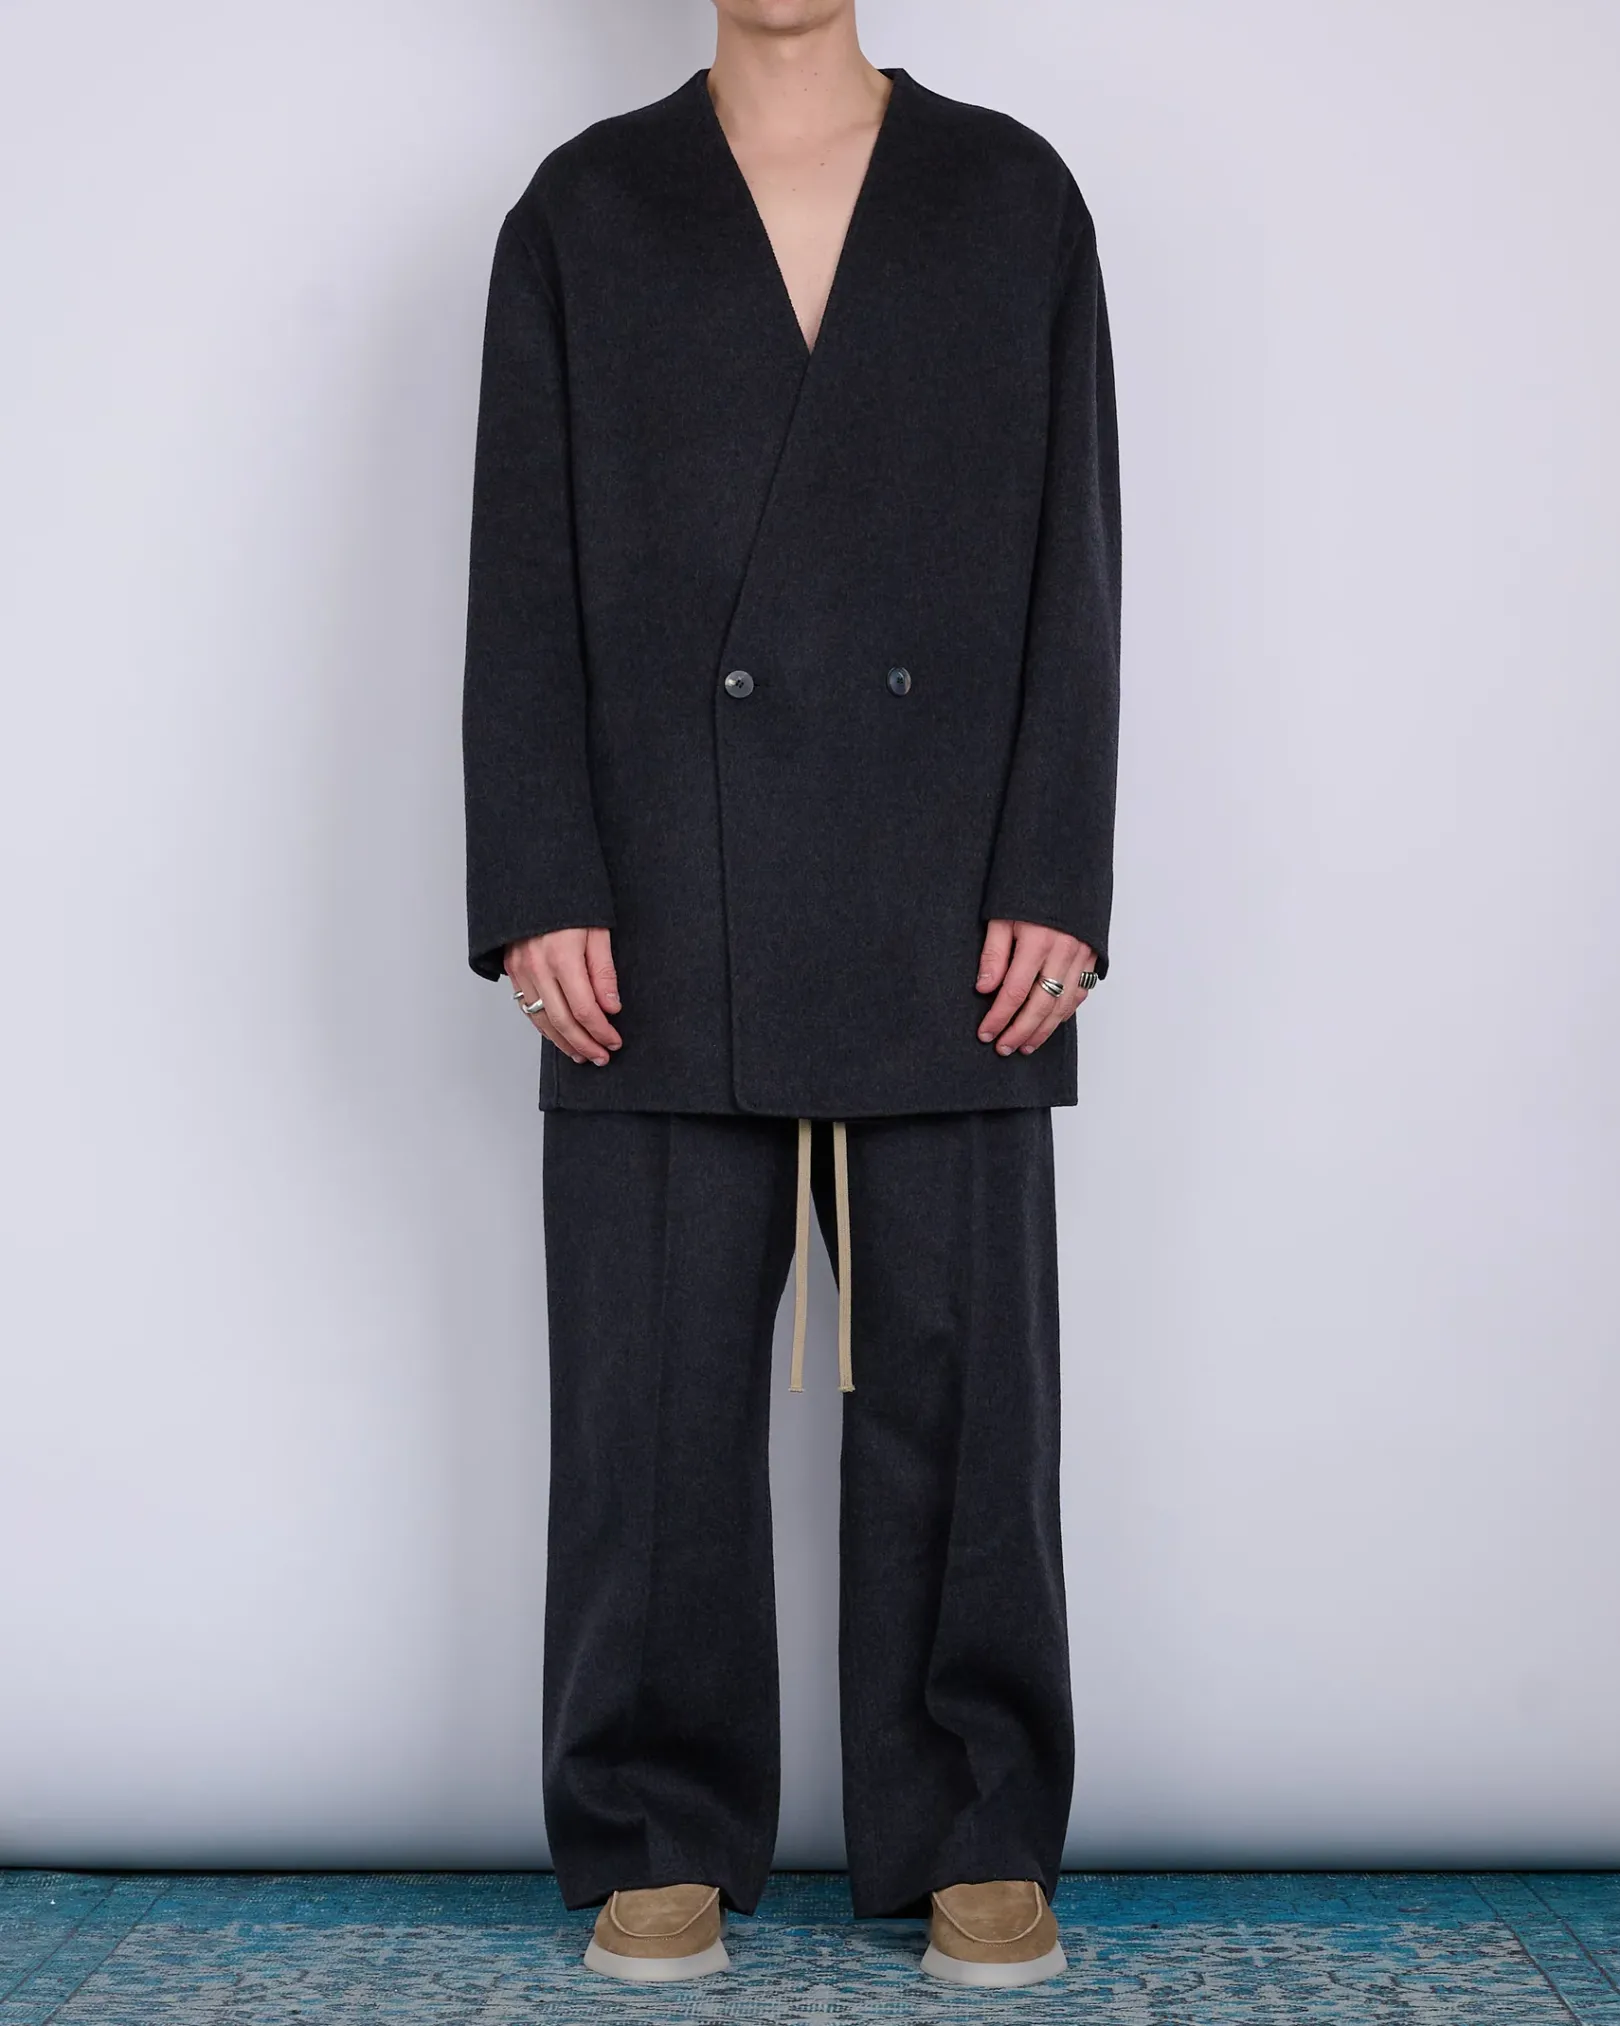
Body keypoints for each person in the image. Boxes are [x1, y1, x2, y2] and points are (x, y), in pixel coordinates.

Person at [460, 0, 1121, 1990]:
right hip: (658, 875)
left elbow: (1077, 555)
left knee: (964, 1375)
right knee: (649, 1383)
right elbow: (518, 566)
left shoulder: (1010, 195)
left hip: (953, 882)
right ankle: (656, 1823)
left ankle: (979, 1823)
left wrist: (1058, 871)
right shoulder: (585, 207)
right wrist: (539, 880)